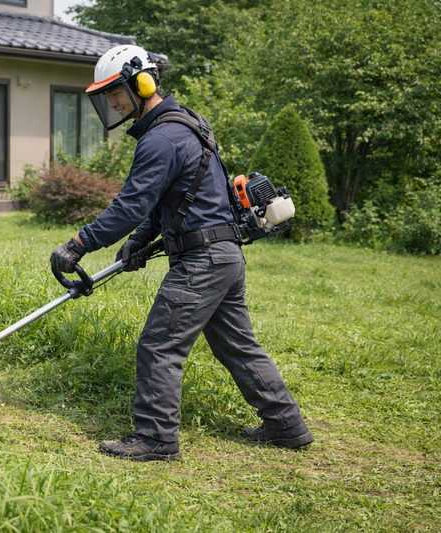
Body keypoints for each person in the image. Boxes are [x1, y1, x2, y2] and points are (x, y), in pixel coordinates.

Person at [50, 44, 313, 462]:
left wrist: (78, 244)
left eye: (116, 92)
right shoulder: (188, 124)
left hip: (201, 262)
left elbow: (130, 205)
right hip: (224, 256)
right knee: (238, 346)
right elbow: (175, 199)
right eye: (106, 97)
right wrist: (139, 241)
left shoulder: (161, 138)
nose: (113, 102)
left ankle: (156, 438)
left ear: (143, 82)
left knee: (160, 345)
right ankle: (286, 424)